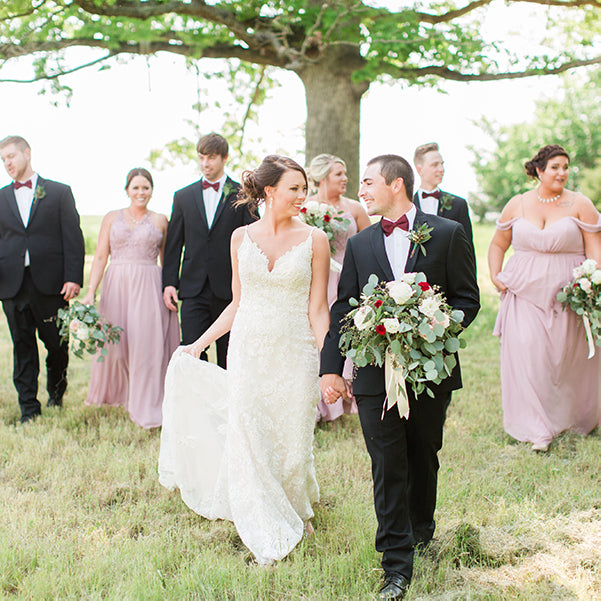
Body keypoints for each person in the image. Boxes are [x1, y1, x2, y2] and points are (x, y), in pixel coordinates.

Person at [320, 154, 479, 600]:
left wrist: (432, 328)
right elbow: (344, 308)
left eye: (368, 182)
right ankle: (395, 565)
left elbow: (468, 298)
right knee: (386, 464)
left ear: (396, 184)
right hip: (374, 375)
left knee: (423, 454)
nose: (362, 191)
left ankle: (421, 529)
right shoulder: (359, 243)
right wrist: (331, 367)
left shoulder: (447, 233)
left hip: (429, 373)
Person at [158, 155, 331, 565]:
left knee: (292, 435)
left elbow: (319, 308)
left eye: (304, 189)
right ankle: (262, 512)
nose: (302, 196)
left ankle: (293, 505)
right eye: (294, 188)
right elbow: (238, 303)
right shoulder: (240, 239)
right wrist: (199, 343)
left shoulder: (315, 240)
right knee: (251, 431)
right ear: (270, 191)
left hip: (296, 350)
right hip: (248, 350)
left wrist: (330, 363)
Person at [488, 144, 601, 452]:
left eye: (566, 167)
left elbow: (595, 247)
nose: (562, 172)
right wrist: (496, 275)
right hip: (522, 291)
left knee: (565, 359)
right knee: (528, 354)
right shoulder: (517, 204)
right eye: (555, 167)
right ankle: (537, 429)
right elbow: (498, 243)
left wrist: (591, 280)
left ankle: (571, 417)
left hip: (567, 293)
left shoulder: (580, 203)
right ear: (539, 170)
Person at [81, 168, 180, 429]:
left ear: (152, 190)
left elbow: (166, 259)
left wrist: (170, 287)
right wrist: (91, 290)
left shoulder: (160, 220)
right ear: (127, 190)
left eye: (145, 187)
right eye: (135, 187)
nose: (140, 192)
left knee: (145, 344)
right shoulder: (112, 217)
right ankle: (120, 395)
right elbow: (101, 255)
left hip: (149, 285)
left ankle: (145, 402)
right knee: (117, 344)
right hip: (116, 285)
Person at [0, 135, 85, 424]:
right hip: (12, 285)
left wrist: (73, 277)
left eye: (11, 156)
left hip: (52, 285)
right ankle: (29, 409)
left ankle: (56, 395)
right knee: (22, 347)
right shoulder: (0, 197)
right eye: (3, 160)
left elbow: (72, 237)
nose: (7, 163)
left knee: (57, 346)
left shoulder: (59, 192)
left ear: (27, 153)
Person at [162, 133, 257, 368]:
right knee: (193, 350)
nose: (206, 163)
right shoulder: (182, 196)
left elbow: (254, 239)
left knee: (230, 353)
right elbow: (174, 244)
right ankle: (197, 404)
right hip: (193, 289)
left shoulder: (243, 194)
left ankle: (229, 403)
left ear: (224, 158)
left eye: (212, 157)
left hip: (231, 289)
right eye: (202, 157)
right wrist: (169, 283)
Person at [306, 153, 370, 422]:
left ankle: (345, 398)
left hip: (348, 279)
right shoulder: (305, 209)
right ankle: (318, 404)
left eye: (345, 174)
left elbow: (369, 245)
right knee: (316, 335)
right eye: (338, 174)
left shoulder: (355, 208)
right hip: (317, 280)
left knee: (346, 332)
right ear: (322, 178)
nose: (345, 179)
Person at [413, 142, 474, 250]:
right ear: (419, 170)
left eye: (442, 164)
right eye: (435, 165)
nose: (441, 169)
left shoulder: (458, 204)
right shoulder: (408, 205)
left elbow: (467, 248)